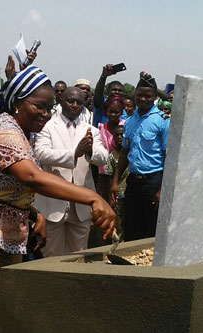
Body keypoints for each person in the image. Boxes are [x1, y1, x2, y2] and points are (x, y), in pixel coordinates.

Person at [0, 65, 115, 332]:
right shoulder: (4, 128)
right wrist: (93, 198)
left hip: (3, 232)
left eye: (49, 107)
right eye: (38, 106)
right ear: (17, 102)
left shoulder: (23, 131)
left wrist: (33, 213)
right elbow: (31, 176)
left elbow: (8, 187)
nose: (45, 113)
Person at [34, 87, 108, 257]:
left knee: (78, 254)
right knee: (51, 255)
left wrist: (89, 152)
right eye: (70, 101)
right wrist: (74, 153)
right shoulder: (47, 126)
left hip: (81, 205)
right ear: (61, 101)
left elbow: (103, 158)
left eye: (79, 102)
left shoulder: (91, 130)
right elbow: (41, 154)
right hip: (52, 202)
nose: (74, 105)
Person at [110, 71, 170, 241]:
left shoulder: (162, 121)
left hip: (153, 182)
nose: (143, 99)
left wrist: (161, 190)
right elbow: (124, 152)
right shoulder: (129, 121)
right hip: (133, 181)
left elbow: (168, 157)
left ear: (154, 97)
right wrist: (115, 181)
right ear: (135, 94)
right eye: (140, 95)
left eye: (148, 96)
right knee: (131, 229)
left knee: (151, 230)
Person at [96, 96, 126, 203]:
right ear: (106, 112)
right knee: (105, 201)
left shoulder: (125, 125)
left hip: (122, 171)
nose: (113, 115)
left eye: (116, 112)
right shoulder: (101, 128)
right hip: (104, 172)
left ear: (121, 112)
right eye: (110, 112)